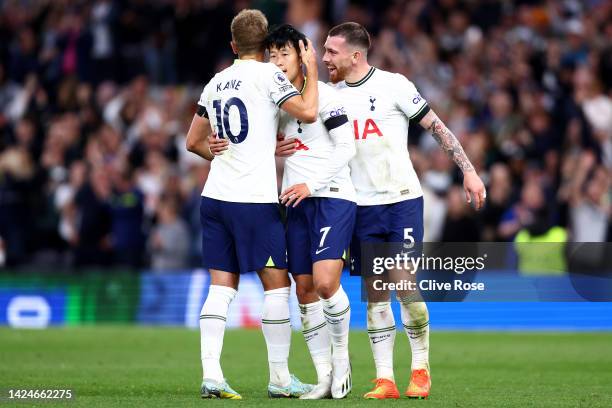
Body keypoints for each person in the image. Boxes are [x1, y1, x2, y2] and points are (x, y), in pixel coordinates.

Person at [322, 22, 486, 399]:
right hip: (360, 206)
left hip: (400, 200)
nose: (325, 58)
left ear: (355, 55)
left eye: (332, 51)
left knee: (404, 285)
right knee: (375, 292)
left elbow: (437, 127)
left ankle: (421, 369)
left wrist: (469, 171)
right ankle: (385, 379)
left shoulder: (394, 85)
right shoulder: (329, 97)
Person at [185, 9, 319, 399]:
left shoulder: (216, 82)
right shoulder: (269, 75)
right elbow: (308, 112)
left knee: (220, 286)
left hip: (215, 198)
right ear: (265, 47)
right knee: (277, 287)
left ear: (232, 45)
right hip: (254, 202)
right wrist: (308, 68)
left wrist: (223, 153)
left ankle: (211, 375)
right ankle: (280, 379)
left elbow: (193, 141)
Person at [268, 24, 356, 399]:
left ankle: (342, 361)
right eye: (271, 56)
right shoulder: (279, 106)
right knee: (303, 290)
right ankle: (323, 376)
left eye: (284, 54)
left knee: (324, 283)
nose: (277, 62)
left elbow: (346, 147)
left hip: (332, 197)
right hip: (295, 203)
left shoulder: (330, 98)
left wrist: (311, 184)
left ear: (303, 54)